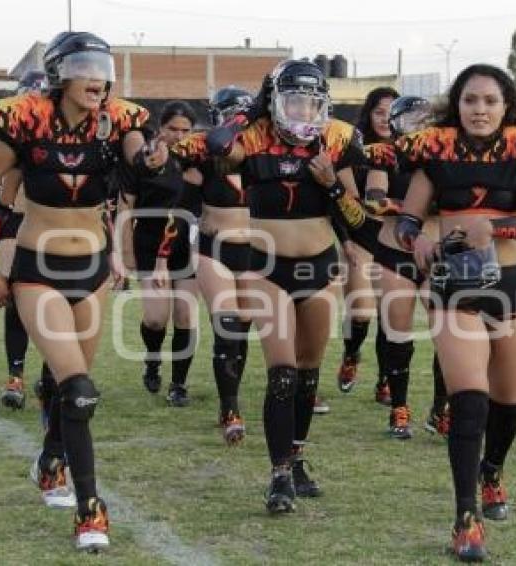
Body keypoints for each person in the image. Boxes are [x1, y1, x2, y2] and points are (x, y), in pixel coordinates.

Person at [0, 31, 165, 551]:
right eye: (84, 66)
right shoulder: (26, 123)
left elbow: (139, 165)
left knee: (76, 391)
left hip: (91, 269)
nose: (97, 76)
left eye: (103, 66)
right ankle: (91, 509)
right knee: (79, 389)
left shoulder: (121, 122)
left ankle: (50, 462)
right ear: (58, 74)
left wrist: (153, 163)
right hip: (37, 270)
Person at [396, 64, 516, 561]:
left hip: (510, 285)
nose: (480, 109)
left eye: (490, 100)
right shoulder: (434, 151)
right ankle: (465, 518)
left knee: (509, 402)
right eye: (470, 100)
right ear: (457, 104)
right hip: (452, 286)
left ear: (506, 104)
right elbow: (407, 219)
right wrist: (419, 239)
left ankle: (493, 471)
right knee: (470, 398)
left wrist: (499, 229)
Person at [201, 59, 363, 513]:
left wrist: (332, 187)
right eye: (292, 99)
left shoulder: (339, 140)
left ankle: (296, 458)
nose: (302, 110)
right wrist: (250, 110)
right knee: (283, 371)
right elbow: (217, 143)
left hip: (319, 267)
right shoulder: (253, 137)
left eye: (311, 101)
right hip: (265, 267)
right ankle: (277, 475)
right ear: (273, 101)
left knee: (309, 372)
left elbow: (360, 219)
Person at [359, 95, 447, 439]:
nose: (417, 127)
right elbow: (374, 202)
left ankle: (441, 408)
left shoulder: (444, 156)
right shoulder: (386, 155)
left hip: (439, 254)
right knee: (398, 332)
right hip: (394, 252)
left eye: (423, 120)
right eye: (410, 120)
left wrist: (412, 208)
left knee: (447, 332)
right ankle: (399, 406)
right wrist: (417, 207)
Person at [171, 87, 254, 444]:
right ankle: (231, 407)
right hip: (213, 246)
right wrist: (186, 245)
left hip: (256, 250)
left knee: (245, 325)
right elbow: (185, 206)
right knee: (227, 325)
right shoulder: (203, 155)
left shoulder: (260, 154)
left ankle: (229, 398)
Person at [119, 100, 199, 407]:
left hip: (187, 244)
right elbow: (126, 205)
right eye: (172, 129)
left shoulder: (197, 157)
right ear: (160, 128)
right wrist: (125, 252)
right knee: (155, 319)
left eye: (185, 130)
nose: (178, 136)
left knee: (185, 315)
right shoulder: (143, 160)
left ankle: (179, 384)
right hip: (150, 242)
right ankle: (153, 360)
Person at [0, 70, 52, 413]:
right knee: (16, 299)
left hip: (60, 230)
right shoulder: (14, 139)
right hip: (20, 221)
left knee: (59, 305)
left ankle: (52, 374)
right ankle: (15, 376)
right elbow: (0, 198)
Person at [335, 86, 398, 397]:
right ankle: (351, 354)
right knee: (360, 312)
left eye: (390, 112)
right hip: (359, 235)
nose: (385, 119)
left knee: (391, 315)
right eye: (379, 112)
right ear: (368, 113)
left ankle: (386, 379)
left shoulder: (409, 148)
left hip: (394, 240)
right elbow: (341, 201)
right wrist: (345, 240)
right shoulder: (353, 147)